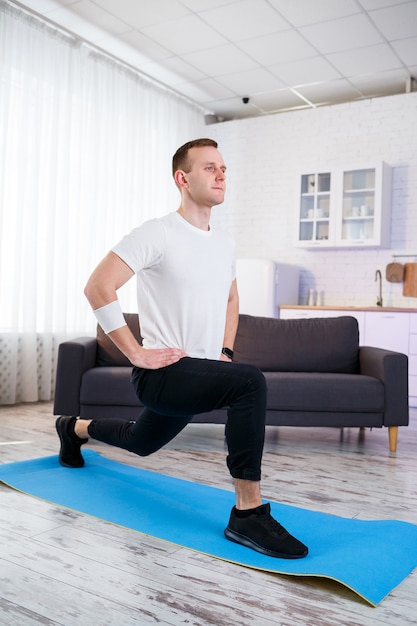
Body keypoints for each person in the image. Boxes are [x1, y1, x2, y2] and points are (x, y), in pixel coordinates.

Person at [56, 138, 308, 560]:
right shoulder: (157, 233)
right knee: (250, 383)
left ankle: (73, 429)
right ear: (182, 178)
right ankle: (247, 513)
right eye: (210, 167)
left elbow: (231, 300)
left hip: (201, 373)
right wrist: (135, 353)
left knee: (141, 441)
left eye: (223, 167)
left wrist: (224, 354)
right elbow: (98, 287)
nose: (221, 174)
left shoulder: (223, 243)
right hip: (165, 374)